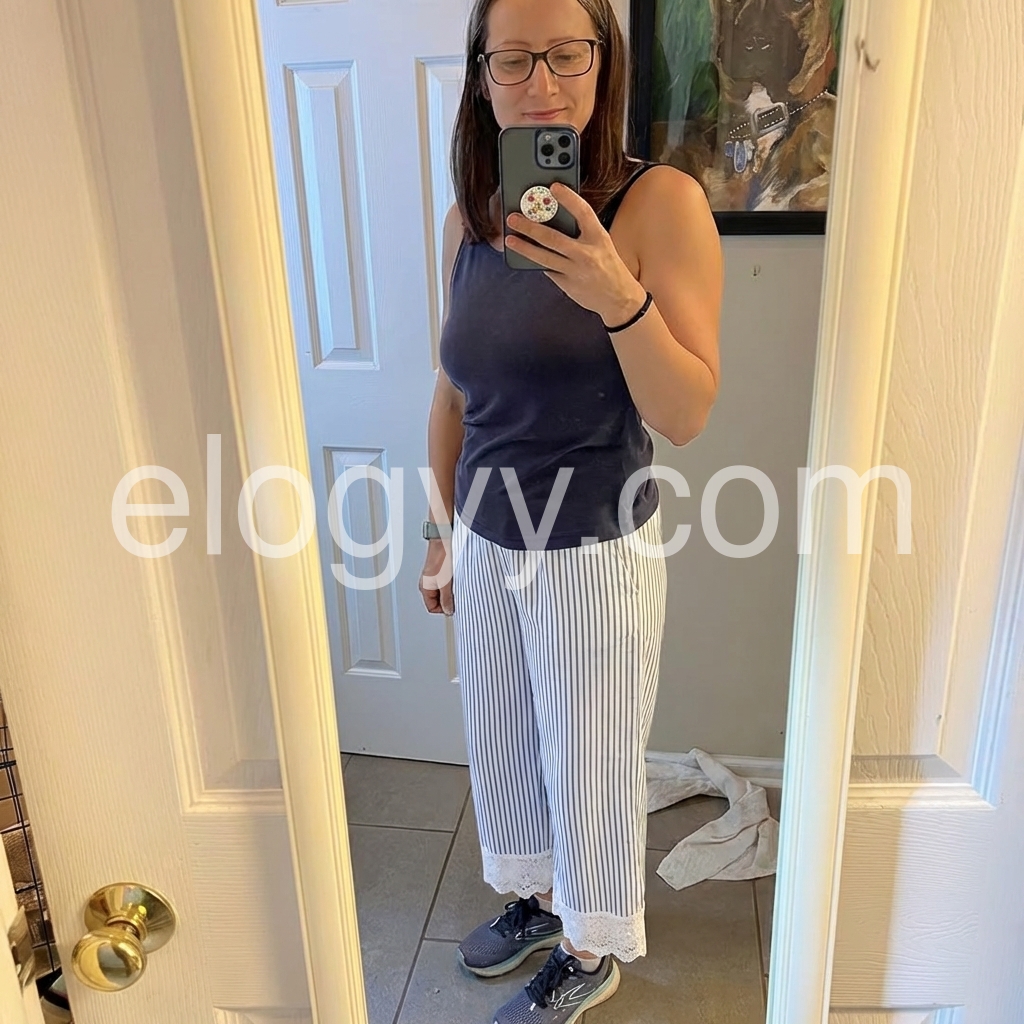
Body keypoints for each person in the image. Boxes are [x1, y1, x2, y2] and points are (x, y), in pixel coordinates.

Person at [418, 0, 722, 1019]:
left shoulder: (658, 203)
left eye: (566, 54)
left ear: (604, 62)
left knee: (591, 765)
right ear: (481, 75)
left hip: (593, 546)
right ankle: (542, 900)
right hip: (484, 536)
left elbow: (684, 411)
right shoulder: (469, 219)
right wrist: (440, 534)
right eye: (513, 59)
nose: (542, 83)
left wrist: (614, 294)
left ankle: (592, 948)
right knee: (505, 744)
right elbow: (451, 394)